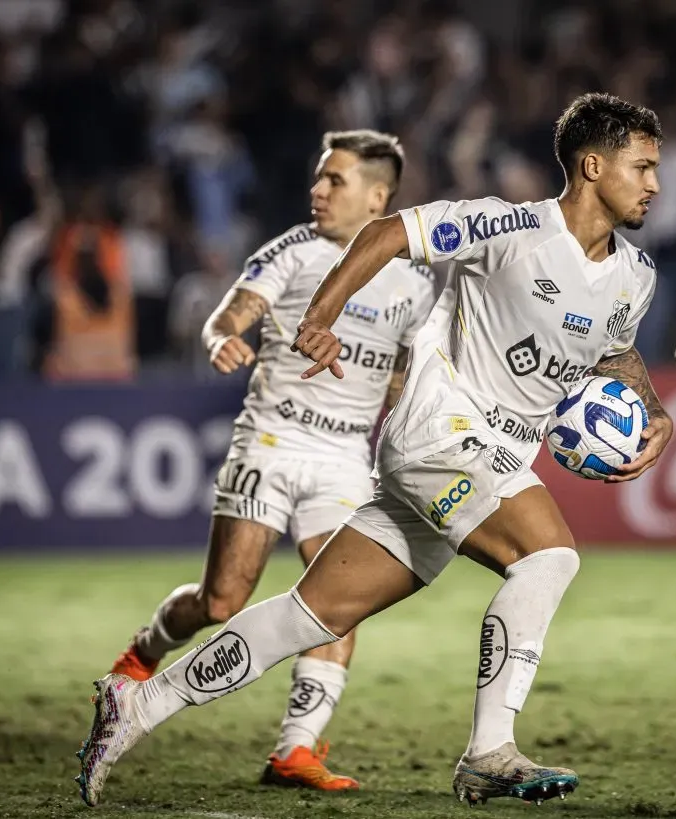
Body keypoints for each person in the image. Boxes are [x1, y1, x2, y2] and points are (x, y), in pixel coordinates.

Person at [76, 92, 674, 808]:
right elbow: (390, 232)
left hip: (496, 456)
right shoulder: (509, 226)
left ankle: (136, 705)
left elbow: (615, 352)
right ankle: (488, 751)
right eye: (642, 167)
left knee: (311, 613)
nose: (654, 184)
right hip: (442, 432)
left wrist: (654, 408)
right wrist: (322, 315)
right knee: (549, 556)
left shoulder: (636, 275)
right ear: (592, 163)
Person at [102, 129, 436, 791]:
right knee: (223, 599)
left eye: (333, 180)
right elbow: (227, 317)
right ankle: (141, 657)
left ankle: (296, 749)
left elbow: (404, 377)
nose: (317, 190)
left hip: (344, 456)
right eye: (318, 177)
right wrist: (222, 339)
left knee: (337, 597)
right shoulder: (295, 249)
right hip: (271, 442)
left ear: (378, 196)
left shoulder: (414, 284)